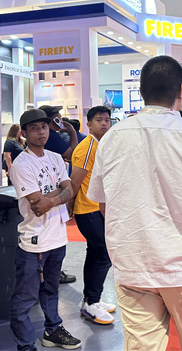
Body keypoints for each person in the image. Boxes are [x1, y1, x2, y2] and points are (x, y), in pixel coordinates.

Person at [88, 56, 182, 351]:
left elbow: (105, 206)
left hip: (133, 267)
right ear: (181, 91)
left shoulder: (111, 138)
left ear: (141, 91)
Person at [9, 109, 81, 351]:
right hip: (34, 240)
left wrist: (50, 200)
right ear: (24, 133)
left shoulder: (55, 157)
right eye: (34, 128)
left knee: (51, 289)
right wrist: (59, 194)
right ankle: (25, 345)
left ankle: (53, 330)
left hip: (58, 236)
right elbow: (37, 203)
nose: (41, 132)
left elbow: (70, 189)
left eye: (44, 127)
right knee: (25, 298)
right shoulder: (22, 164)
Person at [69, 106, 115, 325]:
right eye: (99, 120)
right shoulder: (86, 148)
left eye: (107, 119)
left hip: (99, 208)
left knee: (96, 253)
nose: (104, 123)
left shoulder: (102, 145)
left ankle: (91, 299)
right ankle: (91, 302)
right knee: (103, 253)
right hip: (87, 210)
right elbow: (74, 182)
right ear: (89, 124)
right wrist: (69, 208)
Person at [38, 105, 78, 285]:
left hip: (51, 188)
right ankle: (49, 274)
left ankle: (48, 273)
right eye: (58, 118)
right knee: (50, 235)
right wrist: (72, 133)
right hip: (49, 191)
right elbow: (74, 155)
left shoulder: (52, 143)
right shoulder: (53, 137)